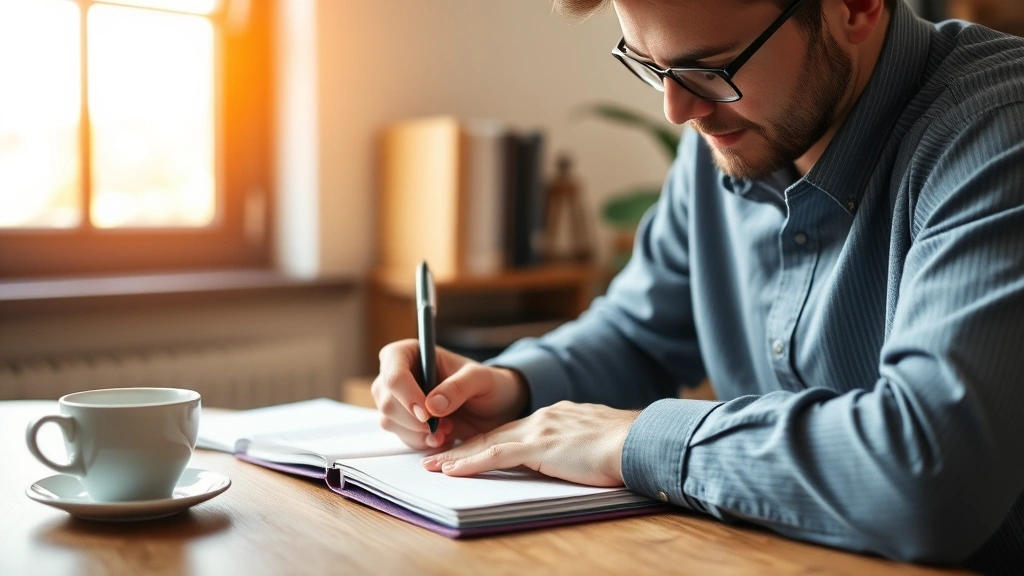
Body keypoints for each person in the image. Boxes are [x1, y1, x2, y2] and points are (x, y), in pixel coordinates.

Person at [372, 0, 1024, 571]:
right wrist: (509, 388)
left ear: (854, 6)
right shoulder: (726, 135)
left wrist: (633, 441)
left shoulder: (996, 131)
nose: (679, 110)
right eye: (652, 67)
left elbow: (935, 474)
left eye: (712, 68)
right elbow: (637, 334)